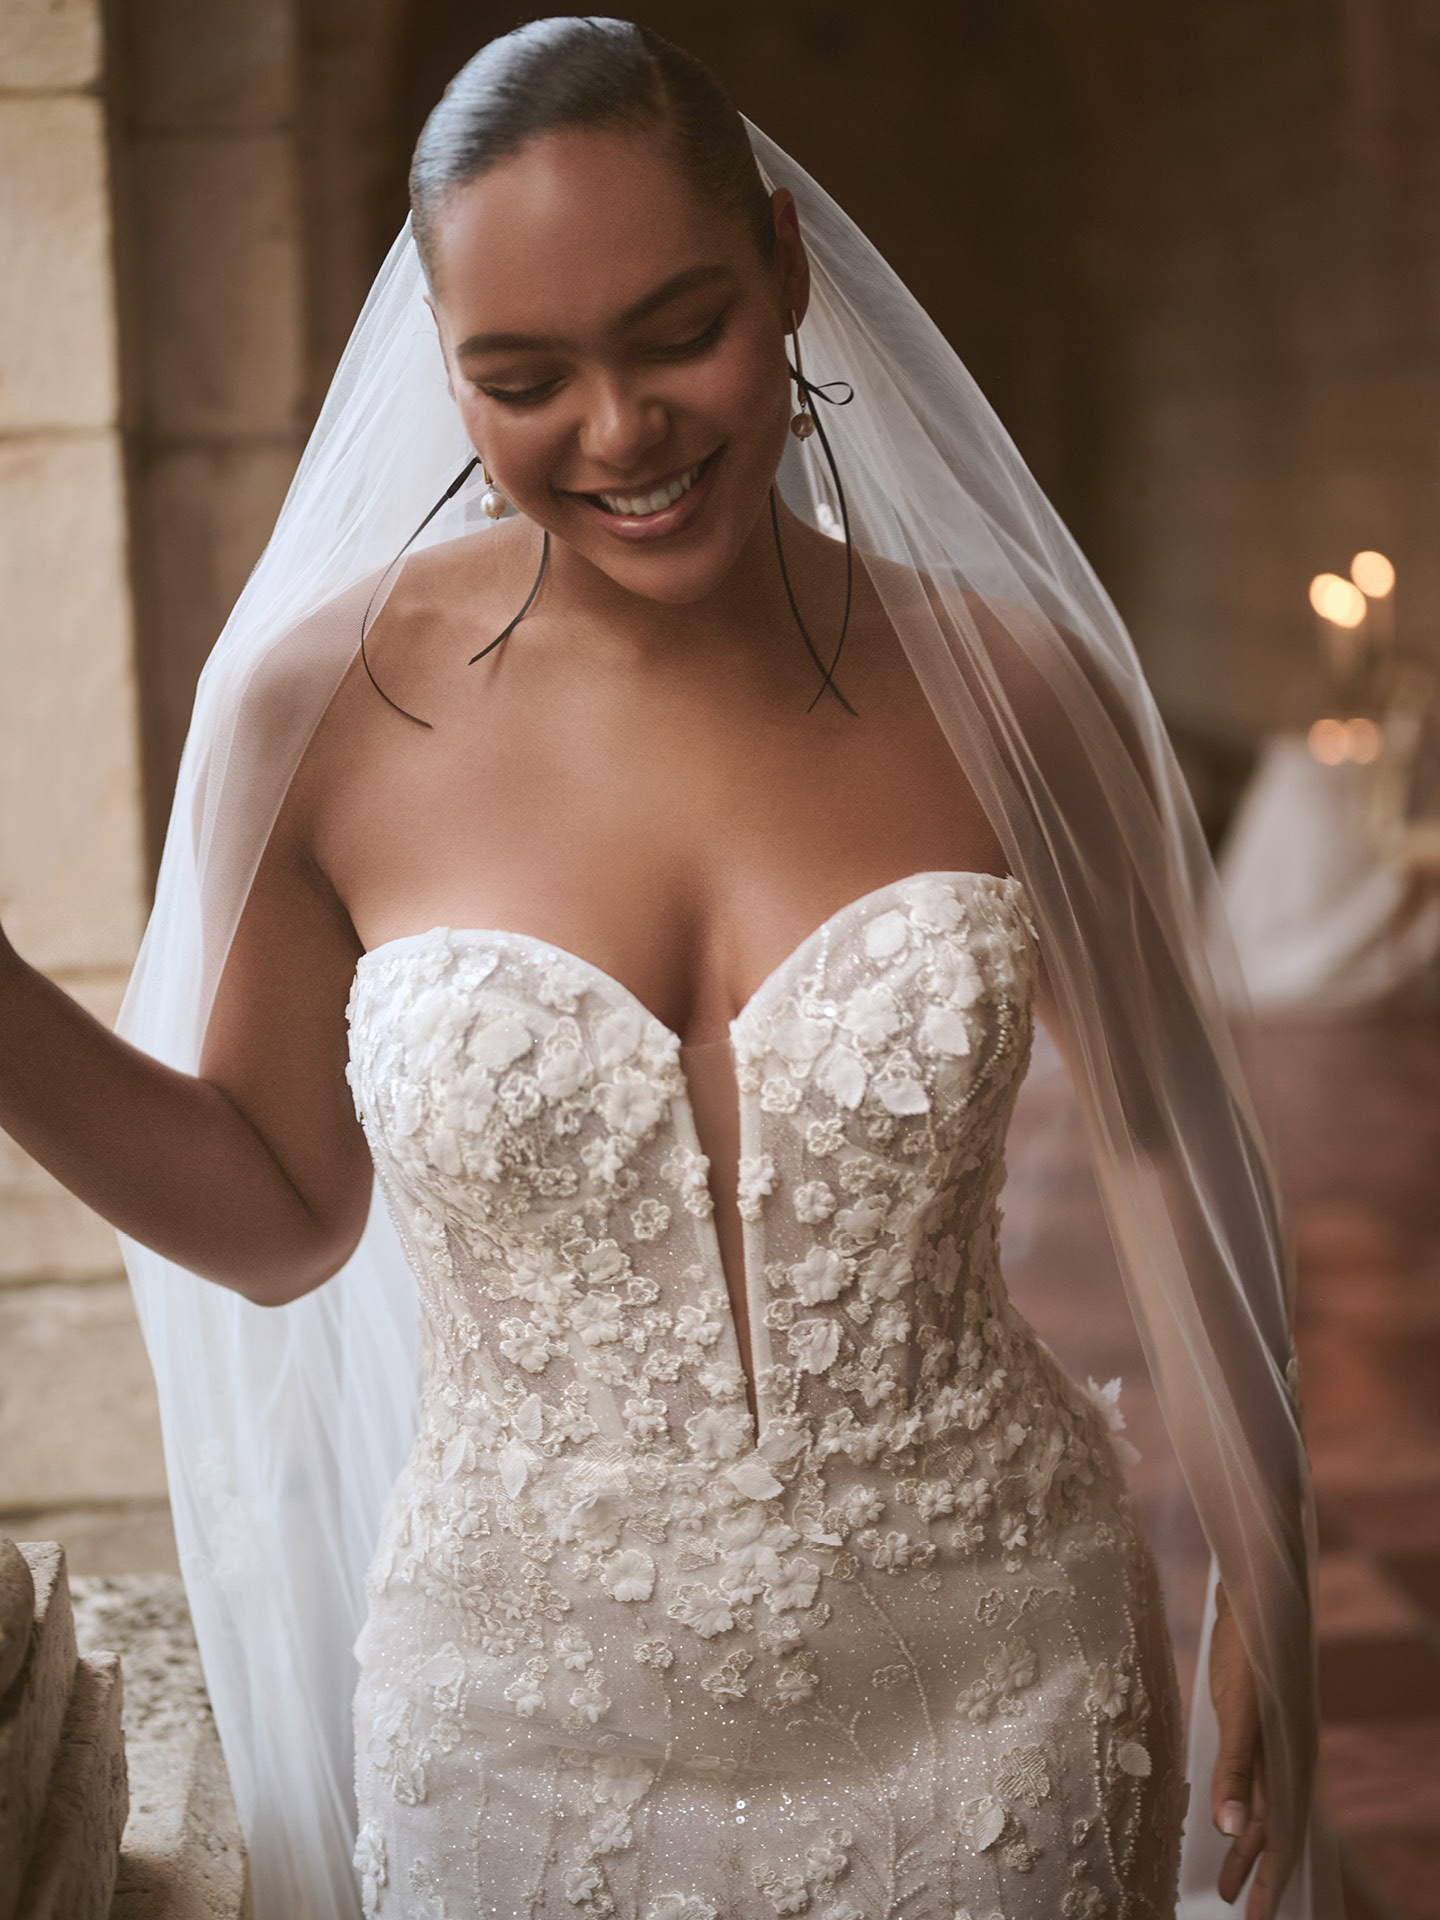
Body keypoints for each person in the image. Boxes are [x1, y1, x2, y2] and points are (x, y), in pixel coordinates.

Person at [0, 20, 1335, 1920]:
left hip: (1003, 1679)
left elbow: (1169, 1149)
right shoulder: (329, 711)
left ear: (784, 263)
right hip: (518, 1723)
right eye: (523, 379)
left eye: (678, 331)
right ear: (442, 375)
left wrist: (1270, 1550)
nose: (619, 433)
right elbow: (285, 1213)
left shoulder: (1009, 693)